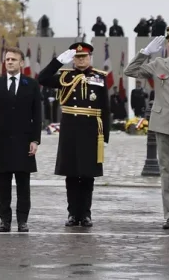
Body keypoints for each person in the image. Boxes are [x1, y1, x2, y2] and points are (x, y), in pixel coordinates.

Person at [38, 42, 110, 228]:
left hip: (91, 130)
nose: (81, 60)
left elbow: (105, 107)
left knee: (87, 175)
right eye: (77, 57)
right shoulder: (65, 76)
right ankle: (72, 214)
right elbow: (42, 78)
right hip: (70, 130)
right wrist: (58, 62)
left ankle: (85, 214)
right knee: (71, 175)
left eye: (84, 57)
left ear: (90, 57)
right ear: (73, 59)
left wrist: (105, 136)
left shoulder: (99, 77)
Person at [0, 47, 42, 232]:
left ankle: (23, 220)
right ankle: (5, 220)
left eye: (13, 59)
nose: (9, 62)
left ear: (21, 63)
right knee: (4, 186)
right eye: (7, 59)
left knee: (23, 185)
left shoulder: (32, 85)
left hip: (24, 142)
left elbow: (37, 115)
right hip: (1, 142)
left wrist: (35, 140)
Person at [124, 28, 169, 229]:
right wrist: (145, 52)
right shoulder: (158, 64)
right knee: (166, 170)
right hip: (163, 123)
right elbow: (130, 71)